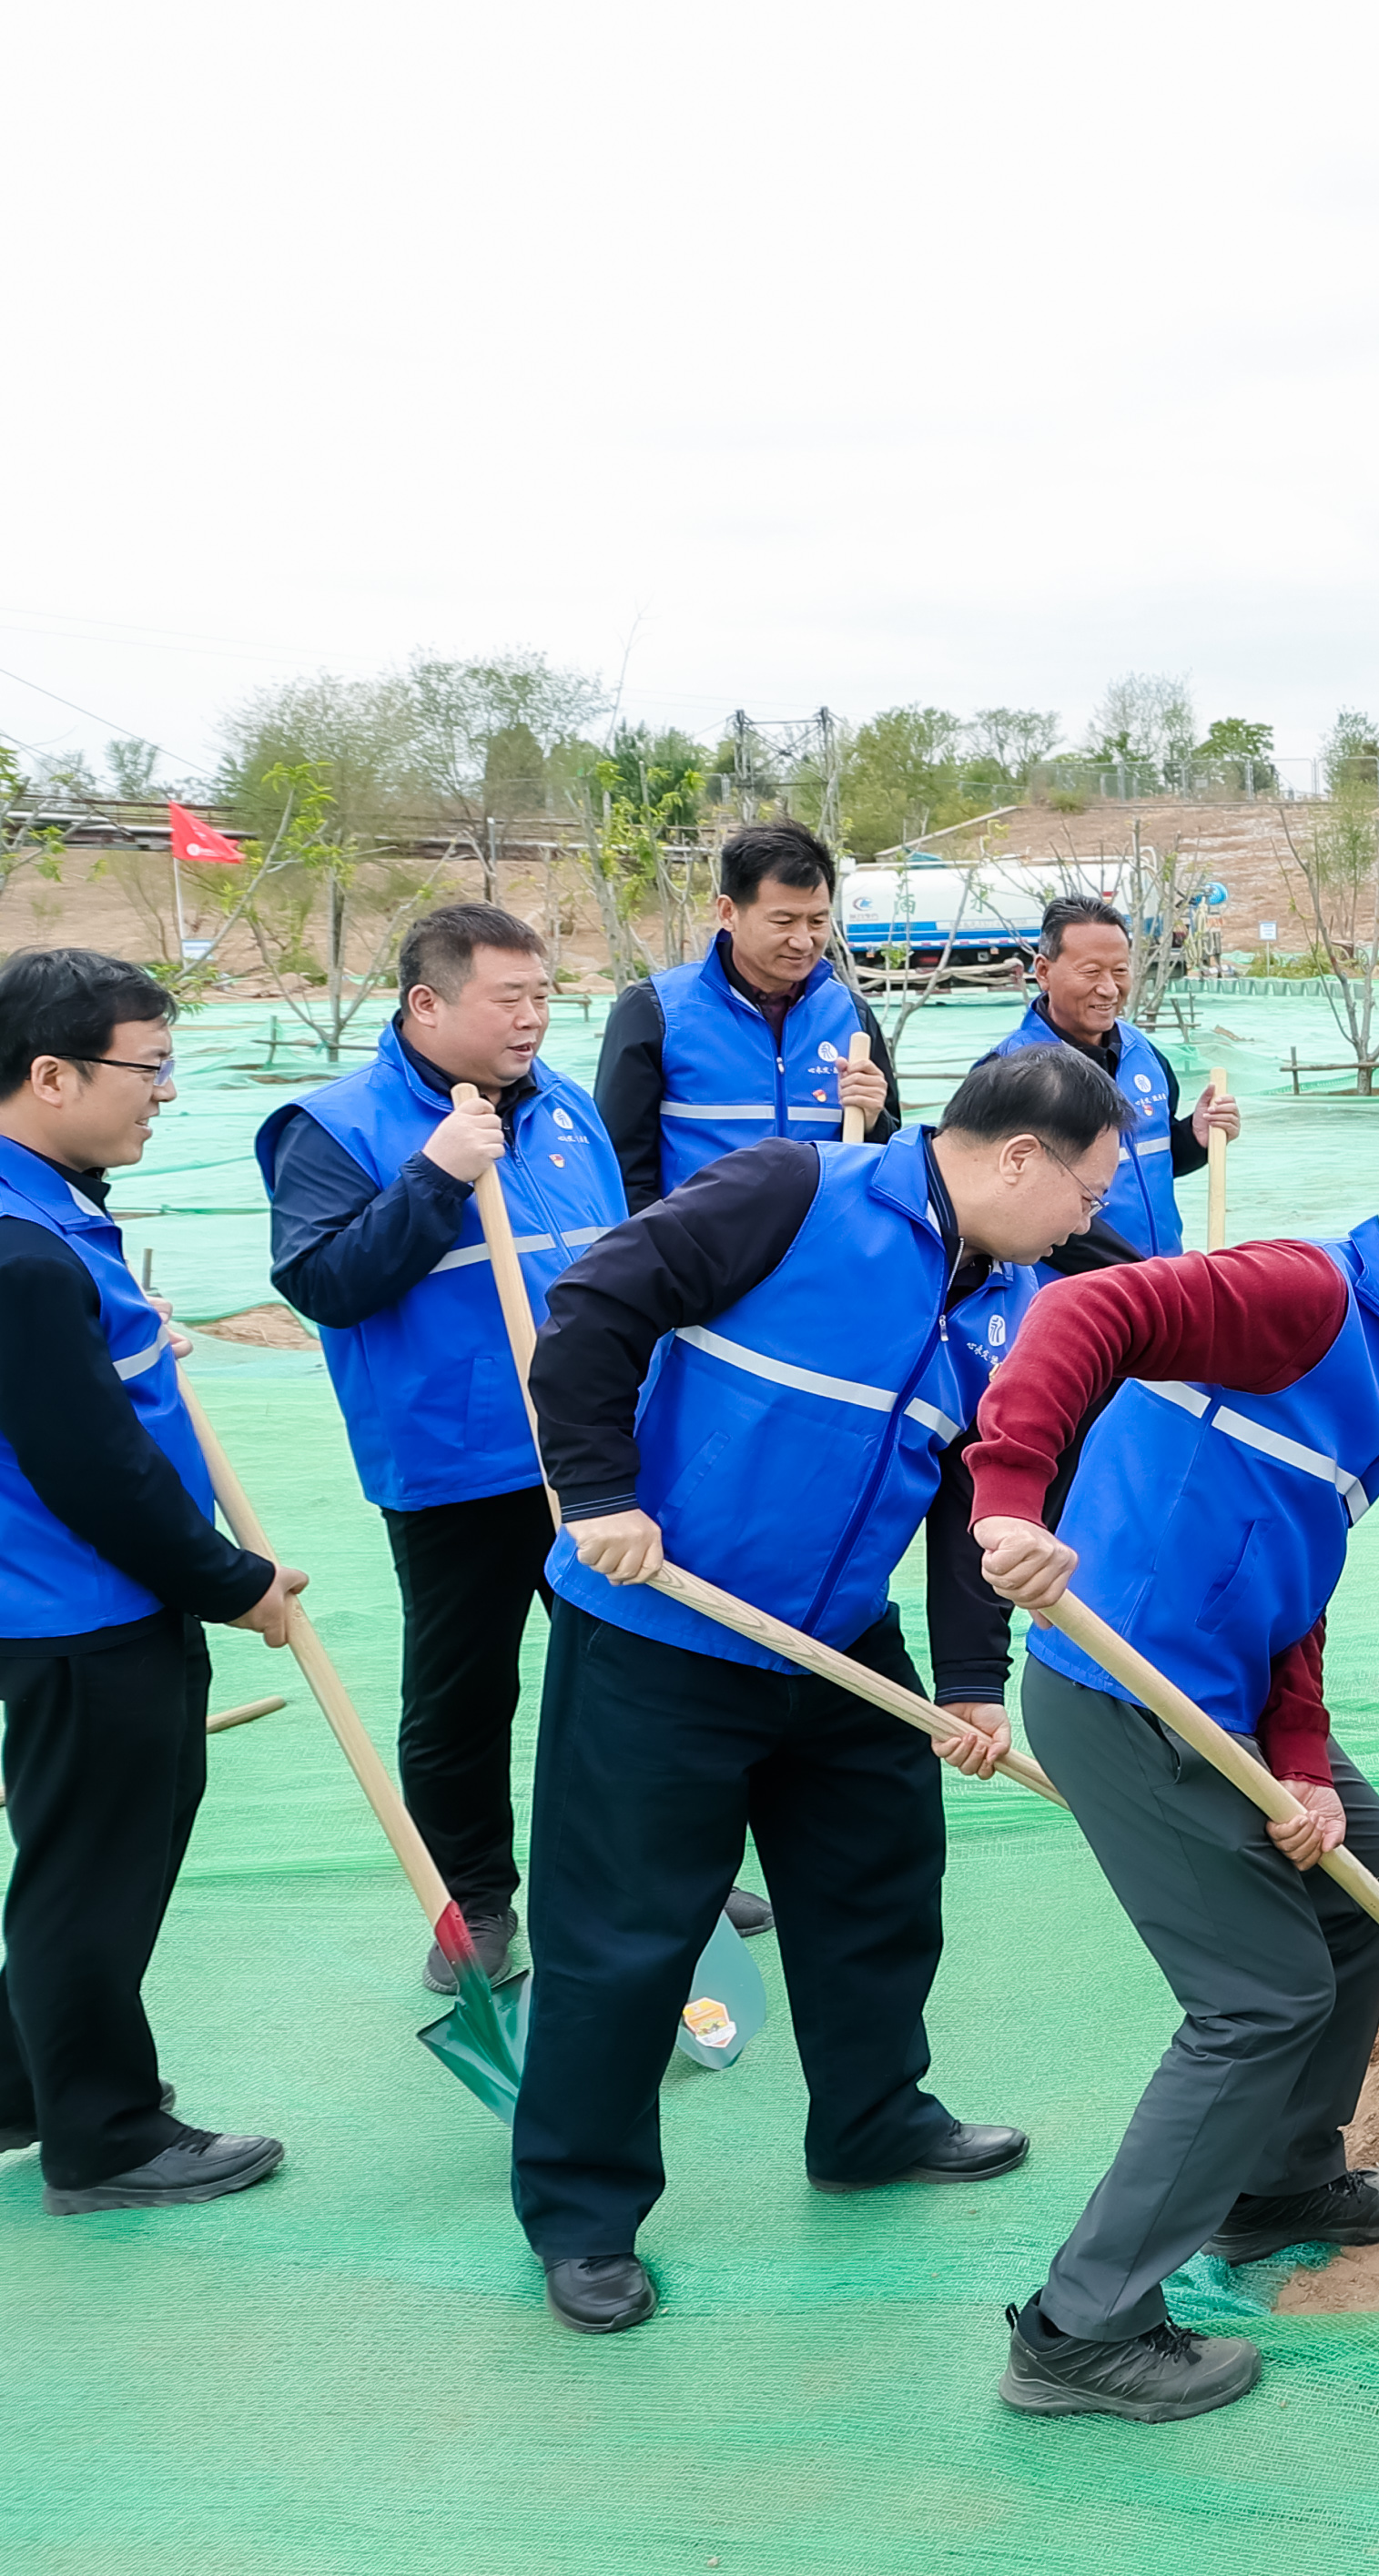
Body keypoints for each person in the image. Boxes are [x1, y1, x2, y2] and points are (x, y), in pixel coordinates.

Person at [512, 1042, 1131, 2335]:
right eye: (1087, 1192)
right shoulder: (794, 1194)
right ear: (1020, 1157)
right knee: (621, 1936)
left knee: (878, 1889)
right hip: (665, 1627)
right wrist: (601, 1490)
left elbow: (977, 1491)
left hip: (844, 1643)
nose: (1092, 1221)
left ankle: (871, 2121)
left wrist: (970, 1679)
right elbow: (594, 1306)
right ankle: (582, 2216)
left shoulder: (1011, 1296)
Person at [964, 1136, 1379, 2424]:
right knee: (1259, 1998)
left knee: (1369, 1874)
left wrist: (1303, 1765)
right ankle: (1082, 2325)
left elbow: (1294, 1582)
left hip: (1236, 1701)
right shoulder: (1303, 1298)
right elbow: (1089, 1306)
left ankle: (1279, 2183)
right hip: (1126, 1694)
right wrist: (1011, 1497)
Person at [257, 903, 660, 1994]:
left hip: (591, 1448)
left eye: (543, 996)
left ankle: (659, 1871)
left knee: (630, 1669)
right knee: (464, 1693)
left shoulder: (566, 1107)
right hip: (458, 1461)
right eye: (509, 999)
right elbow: (325, 1286)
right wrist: (435, 1174)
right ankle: (475, 1900)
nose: (535, 1019)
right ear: (427, 1005)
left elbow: (620, 1265)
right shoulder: (335, 1127)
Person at [0, 949, 302, 2217]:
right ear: (50, 1073)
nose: (167, 1093)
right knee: (92, 1879)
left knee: (70, 1863)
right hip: (84, 1616)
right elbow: (97, 1473)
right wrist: (233, 1582)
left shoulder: (52, 1212)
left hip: (79, 1608)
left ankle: (23, 2091)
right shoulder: (22, 1255)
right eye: (149, 1066)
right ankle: (107, 2136)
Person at [595, 819, 901, 1209]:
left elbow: (889, 1157)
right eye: (783, 921)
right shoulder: (656, 1011)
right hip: (698, 1261)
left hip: (818, 1257)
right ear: (728, 912)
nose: (803, 940)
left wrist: (876, 1122)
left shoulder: (850, 1016)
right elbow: (619, 1168)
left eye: (818, 921)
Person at [989, 895, 1238, 1258]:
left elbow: (1150, 1161)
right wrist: (1137, 1277)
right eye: (1091, 972)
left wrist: (1195, 1138)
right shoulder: (1010, 1072)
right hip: (1073, 1295)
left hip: (1155, 1283)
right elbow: (1007, 1207)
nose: (1108, 988)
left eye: (1120, 971)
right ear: (1043, 971)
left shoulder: (1144, 1054)